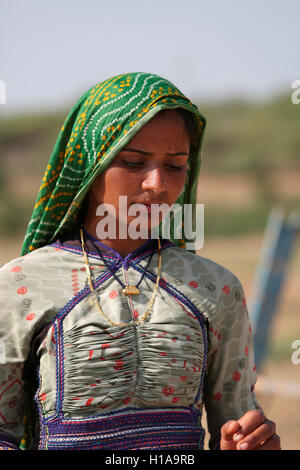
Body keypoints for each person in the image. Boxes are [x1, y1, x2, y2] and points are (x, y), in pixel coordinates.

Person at [0, 72, 280, 450]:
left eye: (175, 165)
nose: (157, 185)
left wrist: (250, 441)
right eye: (133, 162)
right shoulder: (22, 284)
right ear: (88, 164)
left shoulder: (215, 289)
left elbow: (236, 425)